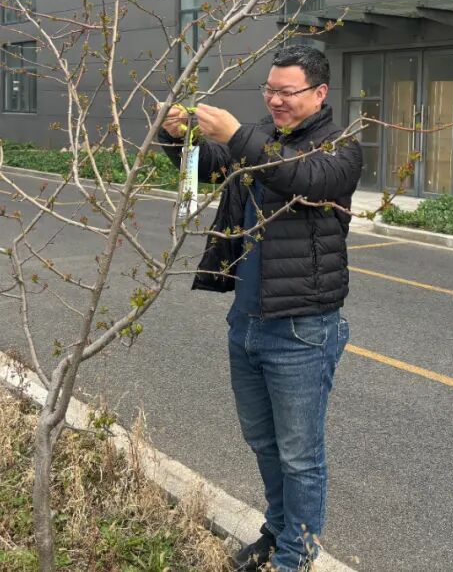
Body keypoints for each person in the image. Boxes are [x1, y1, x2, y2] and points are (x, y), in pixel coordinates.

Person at [158, 45, 362, 572]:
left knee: (300, 455)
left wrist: (235, 135)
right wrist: (177, 137)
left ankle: (296, 556)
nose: (275, 100)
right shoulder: (259, 140)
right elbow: (210, 169)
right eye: (269, 90)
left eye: (286, 92)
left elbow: (302, 178)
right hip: (246, 323)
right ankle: (278, 532)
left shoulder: (340, 148)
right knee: (263, 442)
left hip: (301, 329)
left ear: (319, 93)